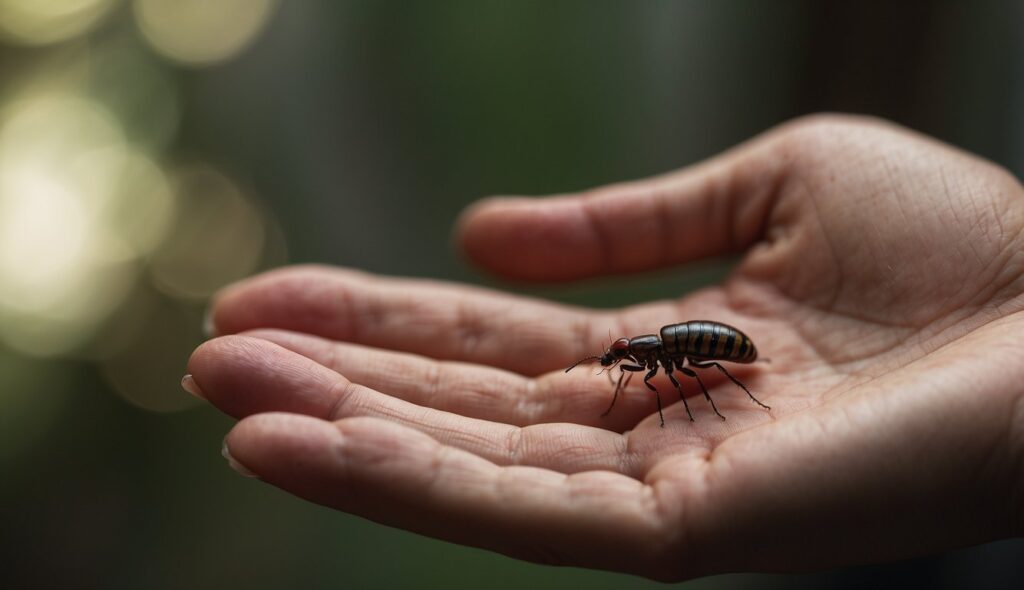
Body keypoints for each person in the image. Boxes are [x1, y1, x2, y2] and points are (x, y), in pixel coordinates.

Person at [182, 114, 1024, 581]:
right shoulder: (650, 358)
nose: (626, 372)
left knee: (701, 389)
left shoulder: (669, 359)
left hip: (737, 354)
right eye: (624, 364)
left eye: (626, 363)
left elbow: (684, 378)